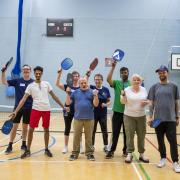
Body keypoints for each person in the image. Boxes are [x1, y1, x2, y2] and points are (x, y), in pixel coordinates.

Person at [10, 66, 66, 159]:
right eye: (36, 73)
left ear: (42, 74)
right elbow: (23, 99)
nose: (38, 75)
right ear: (34, 74)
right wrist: (15, 111)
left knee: (46, 129)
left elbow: (54, 96)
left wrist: (63, 106)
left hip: (46, 110)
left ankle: (46, 149)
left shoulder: (46, 84)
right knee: (31, 129)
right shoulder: (30, 86)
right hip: (35, 110)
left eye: (40, 73)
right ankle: (28, 150)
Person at [147, 65, 180, 173]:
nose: (161, 74)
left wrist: (177, 116)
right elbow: (151, 103)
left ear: (167, 73)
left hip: (170, 119)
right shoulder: (154, 87)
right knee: (160, 141)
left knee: (173, 142)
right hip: (158, 120)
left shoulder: (174, 86)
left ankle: (175, 162)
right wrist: (151, 116)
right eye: (159, 73)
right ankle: (163, 158)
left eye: (163, 72)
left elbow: (176, 102)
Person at [1, 64, 33, 154]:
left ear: (30, 71)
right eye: (24, 69)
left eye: (27, 69)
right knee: (14, 127)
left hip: (28, 108)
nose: (26, 70)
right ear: (22, 71)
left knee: (25, 127)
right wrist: (3, 72)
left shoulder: (33, 82)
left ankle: (23, 144)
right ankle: (10, 145)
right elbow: (4, 82)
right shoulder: (17, 81)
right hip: (17, 108)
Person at [65, 77, 99, 161]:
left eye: (85, 83)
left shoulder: (92, 92)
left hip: (89, 119)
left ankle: (89, 153)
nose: (84, 84)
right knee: (76, 136)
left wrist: (96, 96)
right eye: (82, 83)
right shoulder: (75, 92)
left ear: (87, 83)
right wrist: (68, 94)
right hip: (77, 118)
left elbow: (96, 104)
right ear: (79, 84)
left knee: (89, 137)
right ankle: (74, 153)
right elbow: (68, 103)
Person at [121, 74, 149, 163]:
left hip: (141, 116)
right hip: (129, 116)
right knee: (129, 136)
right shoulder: (126, 90)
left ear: (140, 81)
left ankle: (142, 154)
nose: (136, 81)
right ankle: (129, 154)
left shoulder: (144, 89)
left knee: (141, 136)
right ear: (131, 81)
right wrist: (123, 96)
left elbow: (148, 101)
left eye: (138, 80)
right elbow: (123, 102)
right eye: (134, 80)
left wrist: (146, 102)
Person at [106, 61, 131, 159]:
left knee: (126, 134)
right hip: (117, 113)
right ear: (120, 74)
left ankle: (125, 151)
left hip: (128, 113)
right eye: (122, 72)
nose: (124, 74)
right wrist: (113, 67)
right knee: (115, 133)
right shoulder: (116, 83)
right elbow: (108, 79)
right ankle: (111, 151)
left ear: (128, 73)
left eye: (126, 72)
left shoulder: (131, 84)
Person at [56, 69, 84, 154]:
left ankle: (80, 145)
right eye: (74, 76)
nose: (75, 77)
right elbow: (57, 84)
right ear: (71, 78)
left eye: (77, 76)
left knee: (78, 129)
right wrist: (59, 74)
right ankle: (65, 146)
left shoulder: (81, 87)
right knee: (67, 127)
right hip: (67, 109)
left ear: (79, 77)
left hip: (78, 110)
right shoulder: (68, 86)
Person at [90, 74, 111, 153]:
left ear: (102, 80)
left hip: (103, 114)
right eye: (96, 79)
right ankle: (91, 146)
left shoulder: (106, 89)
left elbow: (109, 100)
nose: (97, 81)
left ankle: (105, 146)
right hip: (93, 114)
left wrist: (106, 104)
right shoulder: (91, 88)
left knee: (104, 130)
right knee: (92, 130)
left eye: (99, 79)